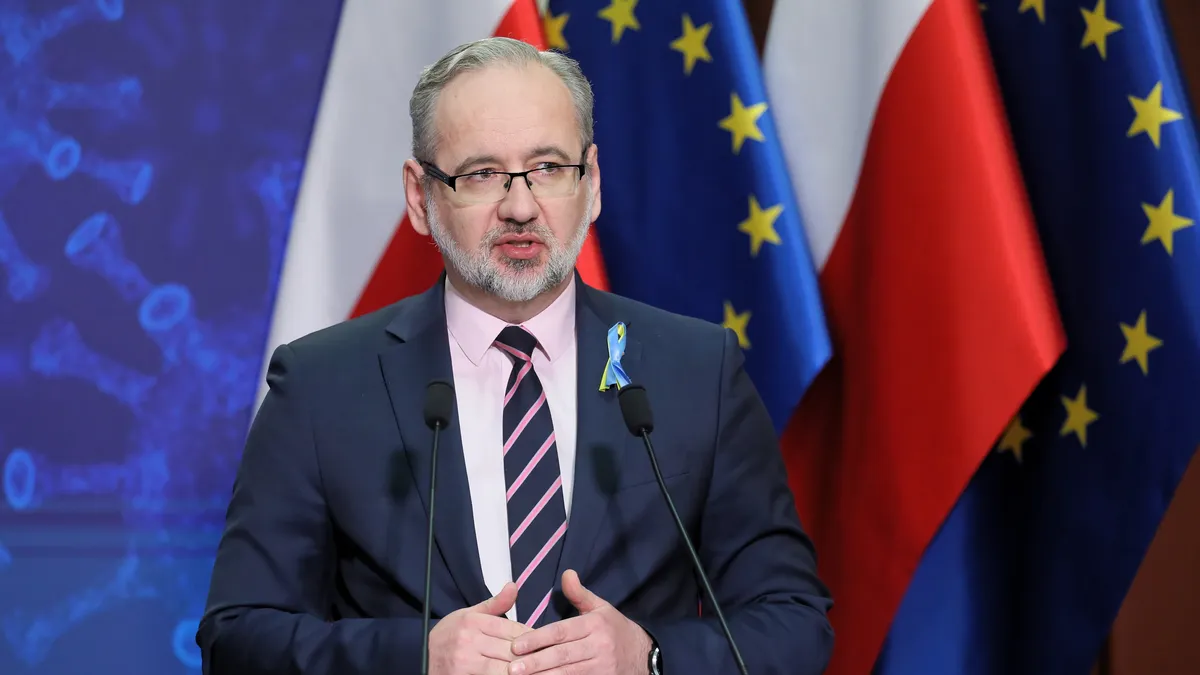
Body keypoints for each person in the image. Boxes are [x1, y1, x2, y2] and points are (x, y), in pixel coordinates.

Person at [196, 37, 833, 675]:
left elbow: (794, 622)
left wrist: (652, 656)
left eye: (549, 167)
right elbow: (238, 635)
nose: (521, 208)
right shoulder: (320, 388)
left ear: (592, 183)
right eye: (481, 174)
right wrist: (416, 658)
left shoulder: (696, 372)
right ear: (420, 198)